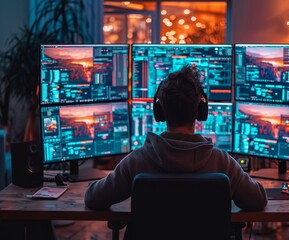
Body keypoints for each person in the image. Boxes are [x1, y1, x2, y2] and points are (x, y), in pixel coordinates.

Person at [84, 64, 267, 211]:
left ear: (159, 111)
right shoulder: (222, 163)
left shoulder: (137, 161)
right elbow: (257, 200)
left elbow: (94, 198)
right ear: (200, 111)